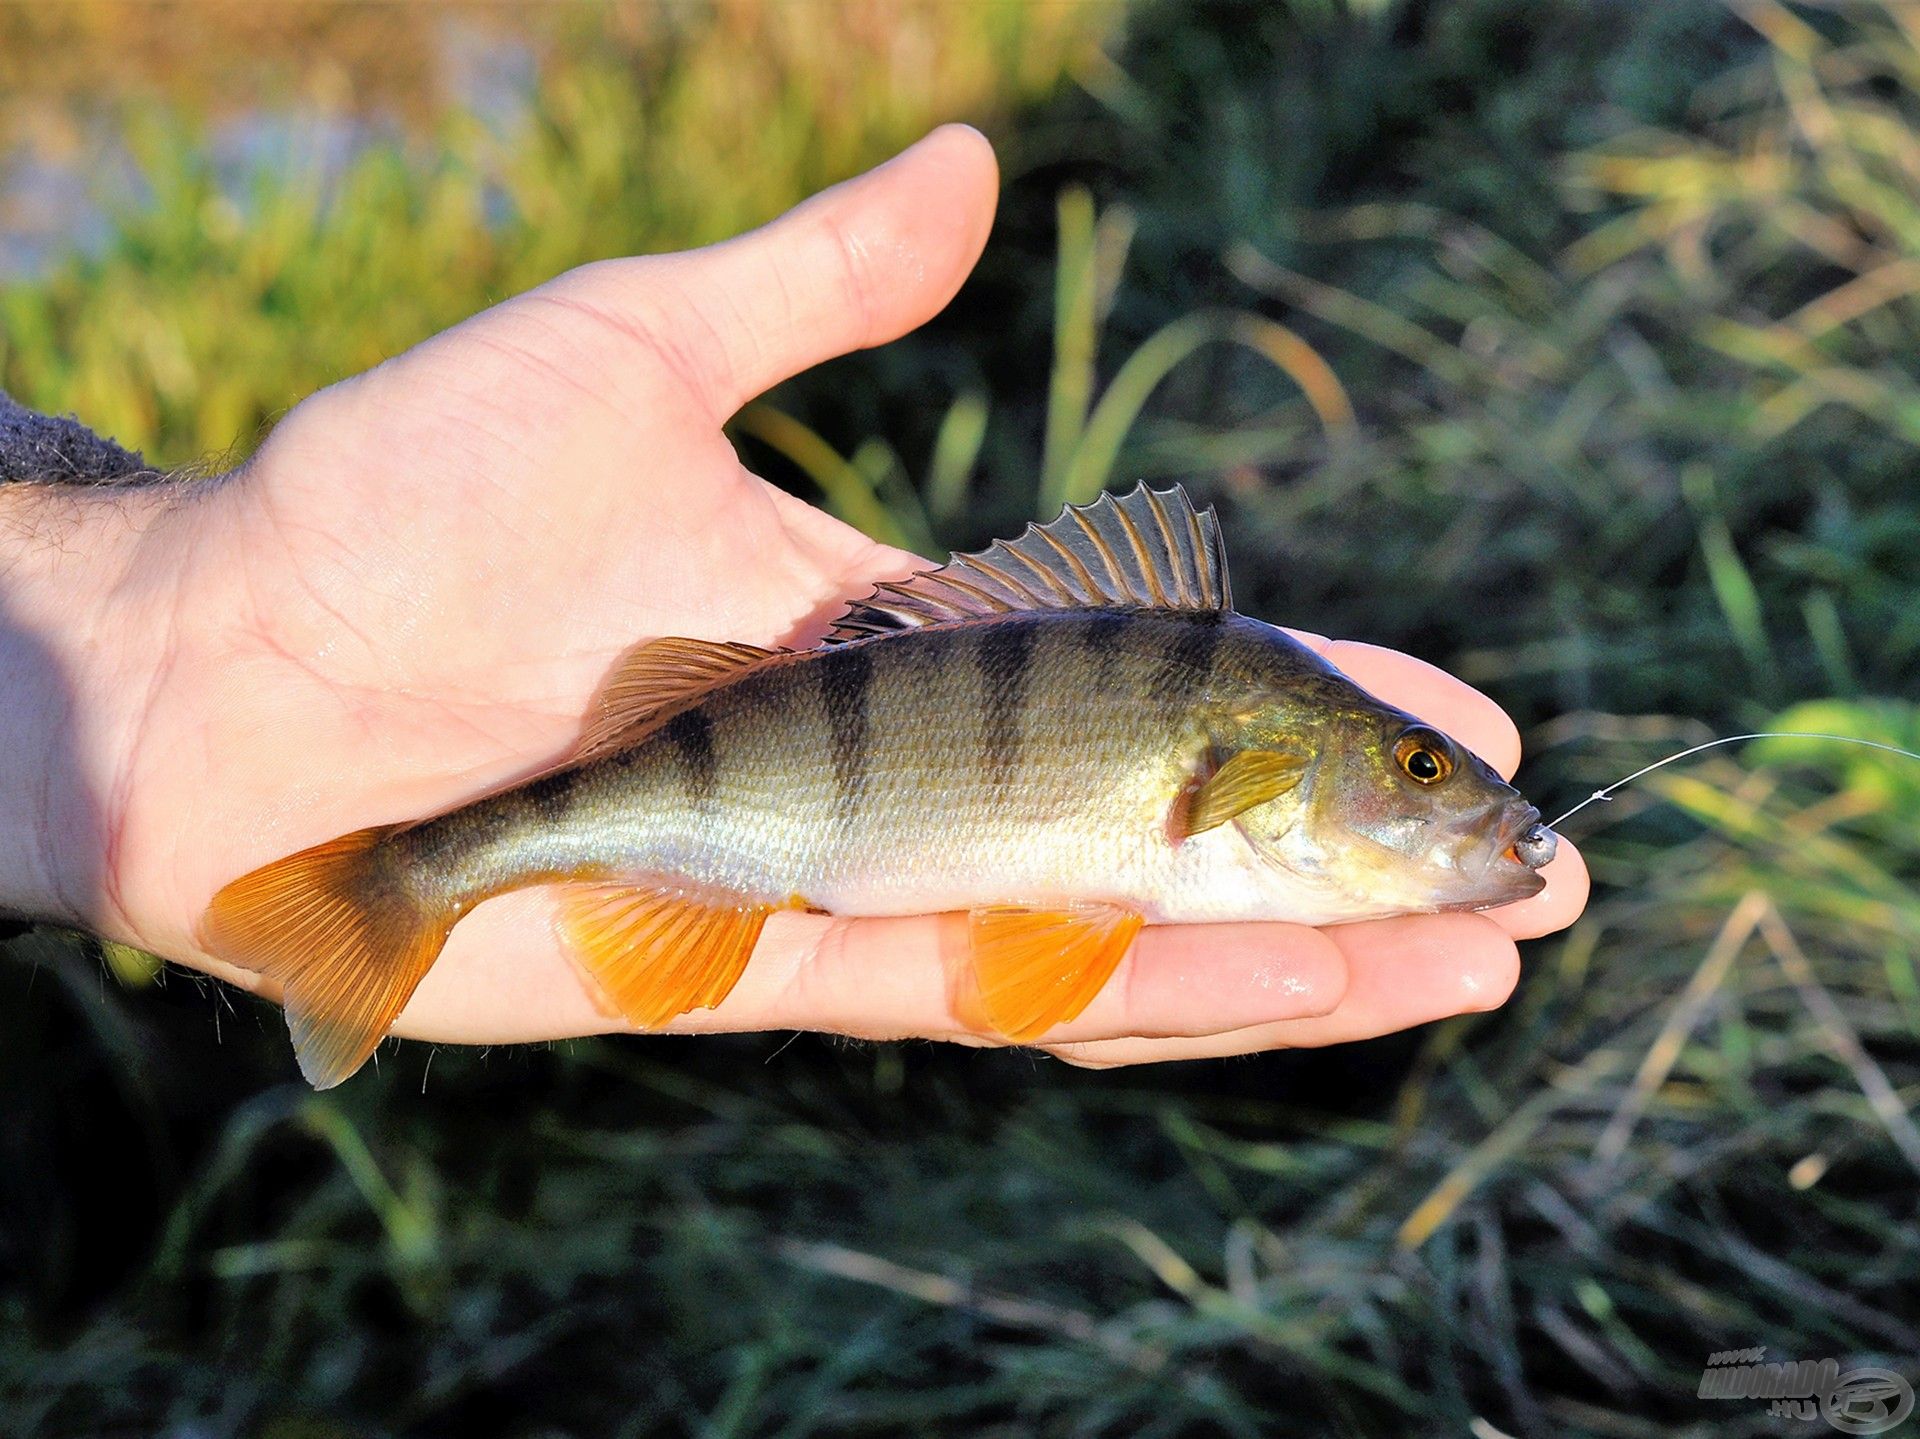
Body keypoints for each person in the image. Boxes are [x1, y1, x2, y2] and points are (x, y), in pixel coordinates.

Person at [0, 125, 1586, 1071]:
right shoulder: (1233, 720)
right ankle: (407, 880)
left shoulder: (1237, 745)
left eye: (1427, 771)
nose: (1457, 801)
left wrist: (134, 629)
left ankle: (401, 880)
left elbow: (1056, 935)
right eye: (1422, 768)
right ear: (1262, 771)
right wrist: (154, 622)